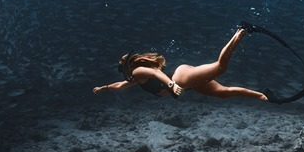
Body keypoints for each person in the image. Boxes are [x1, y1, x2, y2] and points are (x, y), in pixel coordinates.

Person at [93, 25, 268, 101]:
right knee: (223, 93)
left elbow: (156, 74)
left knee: (220, 67)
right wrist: (103, 88)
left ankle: (240, 32)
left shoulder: (138, 71)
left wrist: (171, 84)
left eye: (121, 68)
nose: (121, 72)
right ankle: (263, 96)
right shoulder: (136, 77)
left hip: (180, 79)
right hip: (184, 80)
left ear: (128, 67)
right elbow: (120, 85)